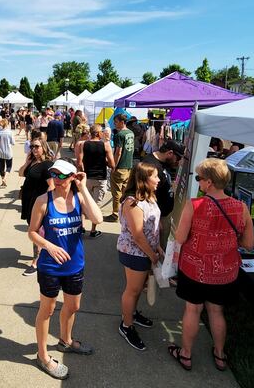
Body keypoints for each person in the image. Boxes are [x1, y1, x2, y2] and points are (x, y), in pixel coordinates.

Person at [169, 158, 254, 372]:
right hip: (225, 271)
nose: (198, 182)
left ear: (208, 183)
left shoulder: (195, 205)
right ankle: (220, 354)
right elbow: (249, 243)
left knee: (193, 309)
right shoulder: (241, 207)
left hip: (194, 269)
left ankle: (186, 354)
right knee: (216, 311)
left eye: (199, 178)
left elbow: (180, 237)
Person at [28, 160, 103, 380]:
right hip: (50, 267)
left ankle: (66, 340)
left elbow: (97, 219)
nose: (57, 179)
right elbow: (32, 232)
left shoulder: (79, 198)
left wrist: (83, 188)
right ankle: (42, 356)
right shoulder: (43, 201)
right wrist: (48, 246)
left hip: (75, 265)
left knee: (73, 306)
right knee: (47, 310)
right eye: (54, 174)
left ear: (73, 176)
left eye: (63, 175)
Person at [117, 162, 162, 351]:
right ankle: (126, 326)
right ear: (144, 179)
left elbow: (151, 229)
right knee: (133, 290)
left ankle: (132, 314)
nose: (159, 180)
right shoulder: (132, 202)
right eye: (155, 176)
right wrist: (152, 254)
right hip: (134, 252)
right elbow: (137, 234)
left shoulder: (149, 198)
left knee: (137, 288)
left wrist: (157, 246)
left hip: (145, 252)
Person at [19, 137, 54, 276]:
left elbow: (51, 187)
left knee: (36, 231)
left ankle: (36, 261)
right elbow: (21, 173)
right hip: (29, 202)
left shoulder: (46, 165)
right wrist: (27, 161)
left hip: (37, 204)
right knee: (35, 230)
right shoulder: (33, 162)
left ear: (44, 147)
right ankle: (42, 255)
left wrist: (43, 204)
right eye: (32, 146)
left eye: (37, 146)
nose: (34, 149)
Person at [142, 140, 184, 246]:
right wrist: (156, 217)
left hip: (163, 213)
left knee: (162, 246)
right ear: (170, 153)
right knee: (157, 248)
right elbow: (145, 192)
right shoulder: (150, 164)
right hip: (157, 216)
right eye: (177, 158)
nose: (177, 161)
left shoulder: (164, 163)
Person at [77, 124, 115, 237]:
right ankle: (93, 230)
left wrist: (83, 172)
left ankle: (82, 227)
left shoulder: (83, 144)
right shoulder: (105, 145)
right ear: (99, 133)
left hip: (87, 178)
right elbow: (112, 164)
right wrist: (105, 163)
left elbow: (79, 163)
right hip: (100, 178)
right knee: (96, 204)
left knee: (84, 202)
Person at [105, 114, 135, 222]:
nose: (114, 124)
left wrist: (113, 165)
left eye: (116, 121)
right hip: (128, 166)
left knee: (116, 192)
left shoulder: (119, 135)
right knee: (125, 192)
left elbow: (118, 151)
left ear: (122, 122)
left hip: (120, 166)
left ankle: (115, 214)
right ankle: (125, 213)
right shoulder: (131, 133)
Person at [0, 118, 15, 189]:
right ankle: (5, 178)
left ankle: (3, 180)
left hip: (0, 152)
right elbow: (13, 143)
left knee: (1, 167)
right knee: (9, 166)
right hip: (8, 152)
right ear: (7, 124)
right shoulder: (10, 132)